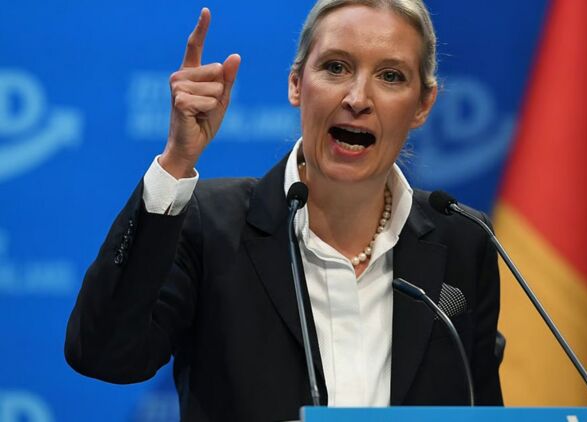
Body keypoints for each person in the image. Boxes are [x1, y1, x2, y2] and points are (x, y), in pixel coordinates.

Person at [65, 1, 503, 420]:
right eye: (336, 67)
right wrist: (177, 160)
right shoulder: (212, 225)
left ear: (423, 104)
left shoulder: (463, 241)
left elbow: (481, 407)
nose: (357, 98)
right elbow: (104, 354)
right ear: (296, 83)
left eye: (391, 76)